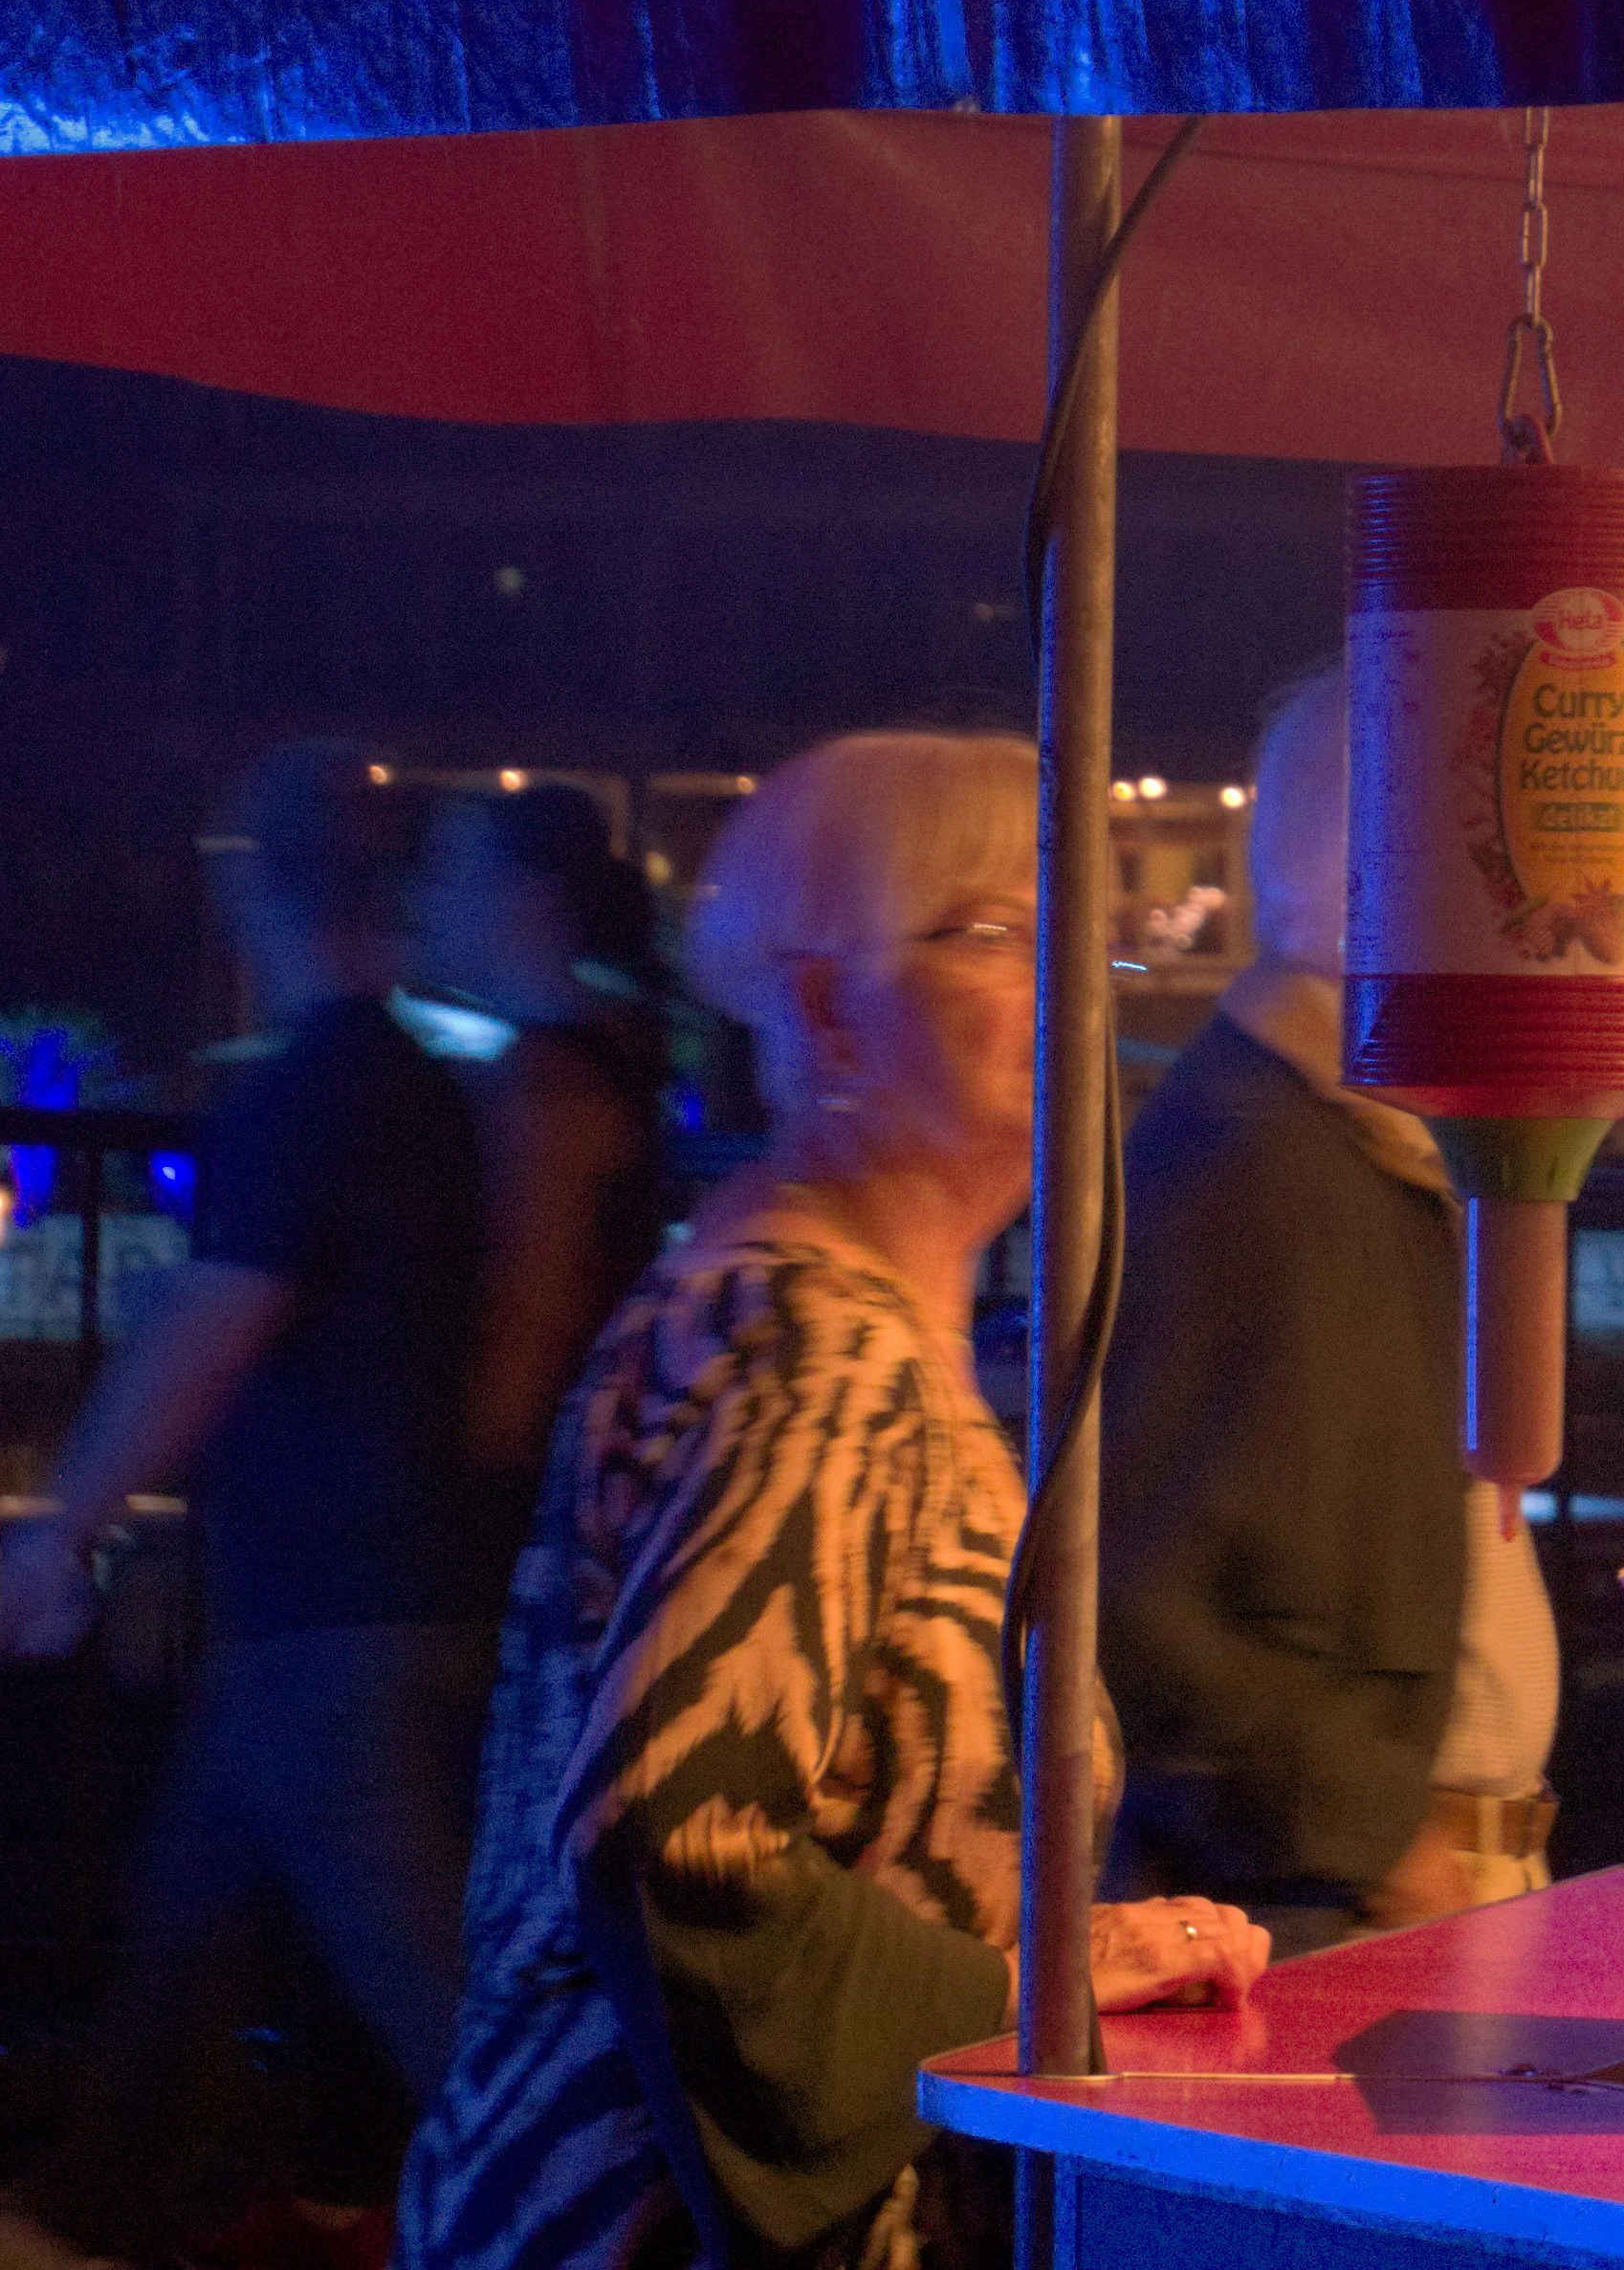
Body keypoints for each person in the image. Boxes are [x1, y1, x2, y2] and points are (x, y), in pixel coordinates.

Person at [396, 733, 1272, 2270]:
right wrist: (1043, 1985)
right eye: (999, 931)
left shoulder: (851, 1322)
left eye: (1084, 930)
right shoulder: (807, 1342)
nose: (1077, 985)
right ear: (823, 1011)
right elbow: (684, 1838)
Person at [0, 742, 511, 2258]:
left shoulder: (312, 1089)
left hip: (330, 1627)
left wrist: (62, 1524)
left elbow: (211, 1327)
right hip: (376, 1604)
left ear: (258, 897)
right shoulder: (425, 1085)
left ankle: (604, 2222)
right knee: (185, 1946)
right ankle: (81, 2214)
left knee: (444, 2018)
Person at [1102, 666, 1561, 1956]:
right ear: (1378, 873)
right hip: (1328, 1915)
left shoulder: (1355, 1151)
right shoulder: (1252, 1164)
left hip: (1384, 1888)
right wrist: (1374, 1839)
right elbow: (1148, 1599)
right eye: (1499, 861)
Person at [410, 780, 676, 1486]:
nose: (421, 901)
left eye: (450, 875)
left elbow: (526, 1331)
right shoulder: (611, 1045)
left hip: (522, 1492)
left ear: (525, 896)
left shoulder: (546, 1087)